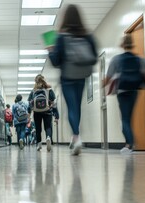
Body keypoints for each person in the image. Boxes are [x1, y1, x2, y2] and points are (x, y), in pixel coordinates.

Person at [48, 4, 98, 155]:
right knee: (77, 106)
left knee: (72, 108)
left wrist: (51, 51)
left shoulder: (61, 37)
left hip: (67, 76)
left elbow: (56, 61)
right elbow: (94, 57)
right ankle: (76, 136)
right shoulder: (87, 35)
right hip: (81, 75)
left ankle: (76, 137)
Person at [102, 34, 145, 154]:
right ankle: (130, 143)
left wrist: (103, 86)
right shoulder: (139, 60)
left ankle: (129, 144)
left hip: (122, 91)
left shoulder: (116, 59)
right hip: (134, 90)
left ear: (122, 45)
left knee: (125, 118)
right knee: (130, 117)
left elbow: (107, 78)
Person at [27, 74, 56, 152]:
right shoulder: (49, 89)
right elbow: (53, 102)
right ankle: (48, 137)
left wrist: (29, 116)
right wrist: (50, 107)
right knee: (48, 127)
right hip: (47, 110)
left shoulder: (33, 91)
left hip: (37, 112)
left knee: (38, 128)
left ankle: (39, 144)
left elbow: (29, 104)